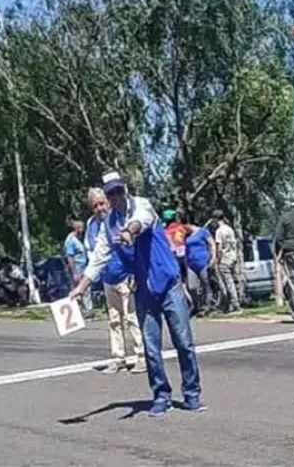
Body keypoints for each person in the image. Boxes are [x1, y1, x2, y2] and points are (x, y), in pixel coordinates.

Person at [68, 171, 204, 417]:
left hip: (169, 283)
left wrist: (130, 231)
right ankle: (161, 396)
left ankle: (192, 394)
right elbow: (98, 258)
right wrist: (81, 288)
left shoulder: (142, 204)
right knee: (151, 347)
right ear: (107, 197)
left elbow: (141, 220)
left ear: (125, 189)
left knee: (184, 342)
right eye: (111, 193)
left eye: (118, 191)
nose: (116, 196)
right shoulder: (109, 225)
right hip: (143, 289)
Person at [84, 188, 145, 374]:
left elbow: (133, 246)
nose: (99, 208)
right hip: (107, 277)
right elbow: (93, 253)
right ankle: (118, 358)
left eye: (102, 203)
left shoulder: (119, 218)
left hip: (125, 274)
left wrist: (135, 272)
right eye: (95, 206)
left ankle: (142, 356)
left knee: (132, 317)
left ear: (108, 202)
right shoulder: (92, 225)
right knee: (114, 320)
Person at [184, 222, 218, 317]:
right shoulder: (187, 236)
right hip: (191, 264)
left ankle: (207, 306)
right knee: (191, 286)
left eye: (185, 226)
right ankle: (196, 305)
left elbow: (212, 244)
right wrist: (186, 262)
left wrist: (213, 258)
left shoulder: (203, 232)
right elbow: (186, 249)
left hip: (203, 262)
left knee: (205, 284)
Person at [211, 210, 241, 314]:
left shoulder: (219, 231)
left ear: (215, 219)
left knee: (227, 283)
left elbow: (219, 248)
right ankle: (228, 304)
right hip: (233, 257)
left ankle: (235, 304)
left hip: (225, 258)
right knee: (232, 281)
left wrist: (217, 260)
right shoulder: (229, 229)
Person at [64, 220, 92, 318]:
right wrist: (74, 272)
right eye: (81, 227)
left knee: (84, 289)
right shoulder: (71, 240)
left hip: (83, 267)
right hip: (77, 268)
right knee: (82, 288)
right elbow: (70, 257)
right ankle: (84, 310)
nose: (83, 229)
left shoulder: (78, 239)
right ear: (77, 228)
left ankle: (84, 310)